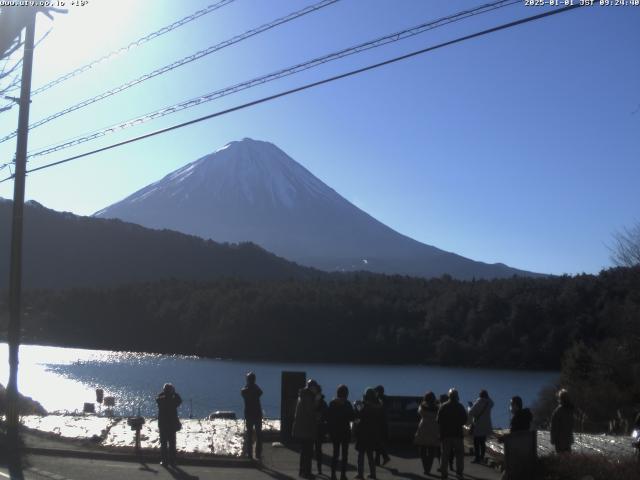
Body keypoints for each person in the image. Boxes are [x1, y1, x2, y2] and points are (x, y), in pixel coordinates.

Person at [436, 388, 467, 480]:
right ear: (457, 396)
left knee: (445, 455)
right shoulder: (460, 406)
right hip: (457, 434)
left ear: (449, 396)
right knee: (459, 455)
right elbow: (465, 420)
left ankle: (444, 473)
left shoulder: (443, 406)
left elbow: (438, 420)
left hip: (445, 435)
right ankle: (459, 473)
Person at [326, 384, 355, 480]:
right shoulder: (347, 404)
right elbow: (352, 417)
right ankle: (343, 475)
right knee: (344, 455)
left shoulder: (332, 403)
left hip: (335, 432)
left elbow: (328, 418)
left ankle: (333, 474)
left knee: (335, 454)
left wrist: (328, 432)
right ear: (346, 394)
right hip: (345, 432)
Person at [354, 388, 383, 480]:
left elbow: (358, 415)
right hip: (372, 433)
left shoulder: (363, 405)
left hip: (363, 432)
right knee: (370, 455)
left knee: (361, 455)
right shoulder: (378, 406)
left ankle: (360, 474)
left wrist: (356, 405)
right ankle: (373, 473)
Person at [293, 379, 319, 479]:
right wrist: (316, 400)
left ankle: (302, 471)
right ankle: (306, 472)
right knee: (307, 451)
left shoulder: (302, 396)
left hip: (301, 428)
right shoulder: (308, 397)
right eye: (315, 387)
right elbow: (310, 412)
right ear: (312, 387)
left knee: (304, 451)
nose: (316, 389)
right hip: (307, 428)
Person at [414, 391, 440, 476]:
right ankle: (429, 467)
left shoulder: (422, 406)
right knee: (432, 449)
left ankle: (425, 467)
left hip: (424, 426)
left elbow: (419, 413)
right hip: (434, 427)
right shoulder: (437, 408)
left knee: (423, 448)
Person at [156, 383, 182, 467]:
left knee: (163, 444)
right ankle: (173, 461)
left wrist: (164, 392)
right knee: (172, 444)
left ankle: (164, 461)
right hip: (171, 425)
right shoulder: (173, 400)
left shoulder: (161, 400)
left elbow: (158, 398)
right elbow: (179, 400)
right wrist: (174, 392)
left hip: (163, 425)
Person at [241, 371, 263, 459]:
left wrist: (249, 386)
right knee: (258, 434)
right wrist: (254, 385)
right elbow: (260, 392)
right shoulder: (256, 389)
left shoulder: (244, 390)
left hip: (249, 414)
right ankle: (258, 454)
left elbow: (244, 391)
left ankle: (249, 454)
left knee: (249, 434)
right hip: (257, 414)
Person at [468, 389, 494, 464]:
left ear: (480, 395)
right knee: (482, 442)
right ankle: (482, 457)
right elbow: (492, 403)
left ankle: (477, 458)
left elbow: (471, 412)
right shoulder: (489, 403)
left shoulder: (478, 402)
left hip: (478, 425)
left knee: (476, 442)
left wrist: (470, 406)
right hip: (486, 425)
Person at [550, 388, 574, 454]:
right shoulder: (570, 410)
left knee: (561, 458)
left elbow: (554, 427)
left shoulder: (558, 411)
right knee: (568, 459)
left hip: (560, 441)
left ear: (560, 399)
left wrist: (553, 439)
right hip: (568, 440)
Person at [313, 383, 328, 475]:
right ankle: (319, 469)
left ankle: (310, 469)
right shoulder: (324, 403)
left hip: (313, 427)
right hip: (320, 428)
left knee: (310, 449)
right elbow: (326, 416)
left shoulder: (311, 400)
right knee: (318, 450)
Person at [373, 385, 391, 466]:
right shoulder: (386, 399)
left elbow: (378, 410)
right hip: (384, 423)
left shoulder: (379, 400)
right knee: (378, 442)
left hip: (379, 423)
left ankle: (384, 457)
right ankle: (378, 460)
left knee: (377, 442)